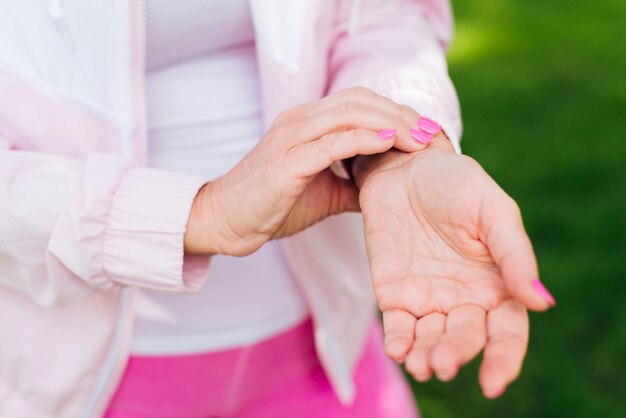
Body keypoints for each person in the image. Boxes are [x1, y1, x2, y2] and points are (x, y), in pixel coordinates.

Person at [0, 1, 556, 417]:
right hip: (74, 385)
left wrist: (397, 155)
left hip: (326, 352)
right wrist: (198, 214)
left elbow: (377, 18)